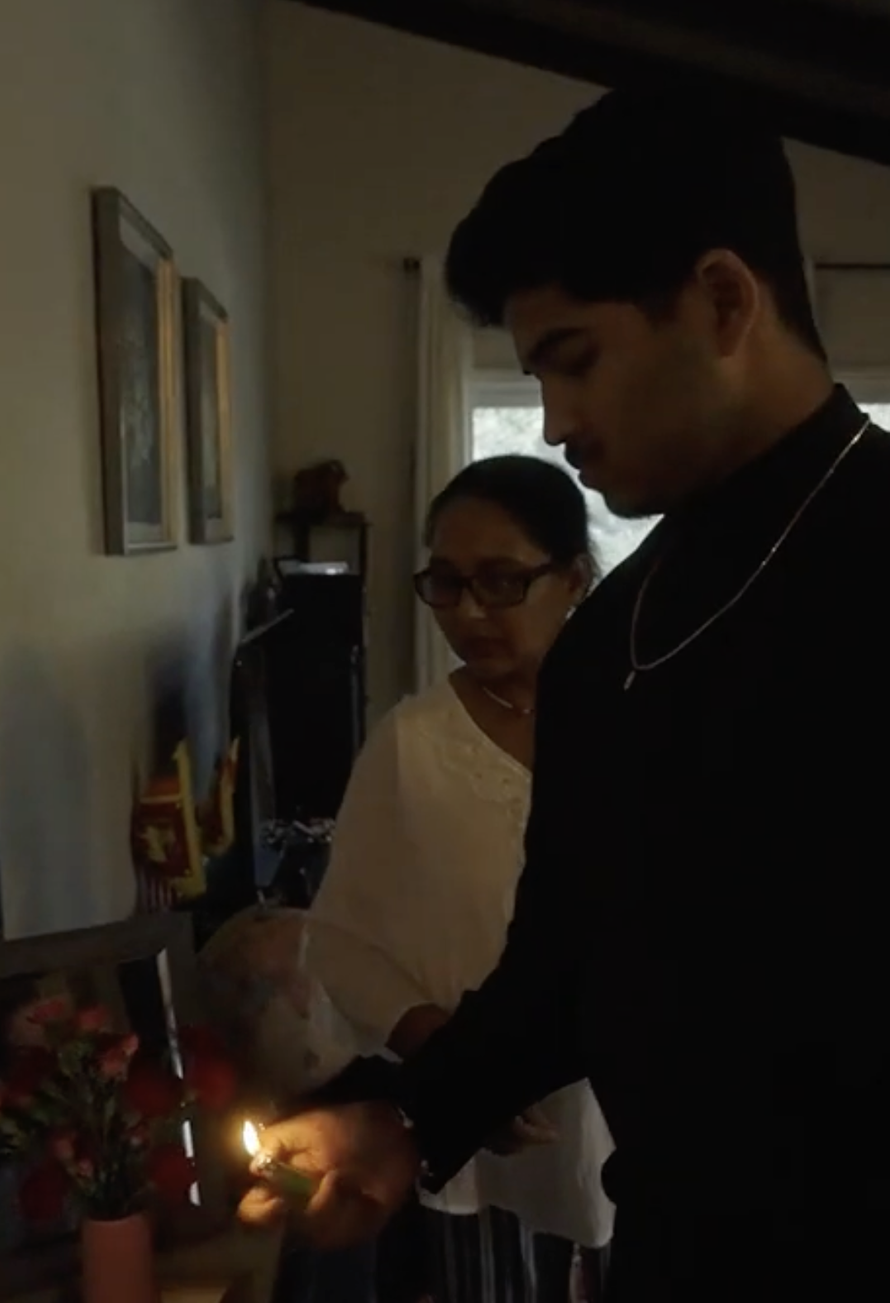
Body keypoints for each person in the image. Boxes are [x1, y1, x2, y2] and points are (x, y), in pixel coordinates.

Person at [239, 88, 890, 1303]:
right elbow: (566, 965)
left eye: (575, 360)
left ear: (722, 300)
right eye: (535, 373)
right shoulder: (612, 640)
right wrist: (406, 1117)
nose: (553, 422)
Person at [306, 456, 615, 1303]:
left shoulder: (640, 718)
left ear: (574, 579)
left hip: (645, 1126)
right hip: (485, 1144)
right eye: (446, 583)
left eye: (502, 581)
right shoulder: (412, 748)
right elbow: (341, 941)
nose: (469, 611)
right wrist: (454, 1057)